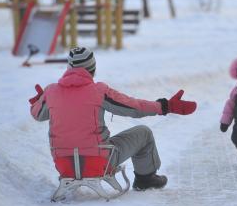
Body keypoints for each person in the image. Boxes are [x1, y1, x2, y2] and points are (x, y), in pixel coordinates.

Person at [29, 47, 196, 190]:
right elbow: (134, 107)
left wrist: (38, 101)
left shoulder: (51, 92)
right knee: (144, 133)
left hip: (64, 165)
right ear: (92, 69)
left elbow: (37, 114)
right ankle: (145, 180)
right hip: (99, 163)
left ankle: (73, 174)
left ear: (68, 68)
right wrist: (165, 106)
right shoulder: (98, 91)